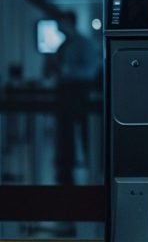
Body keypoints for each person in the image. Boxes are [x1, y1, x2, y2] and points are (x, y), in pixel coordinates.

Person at [53, 11, 101, 185]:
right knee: (65, 129)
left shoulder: (83, 44)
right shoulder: (66, 44)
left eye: (61, 22)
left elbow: (91, 69)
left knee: (85, 128)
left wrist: (69, 72)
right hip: (65, 90)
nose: (59, 26)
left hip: (79, 91)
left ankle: (93, 164)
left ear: (69, 22)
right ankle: (66, 165)